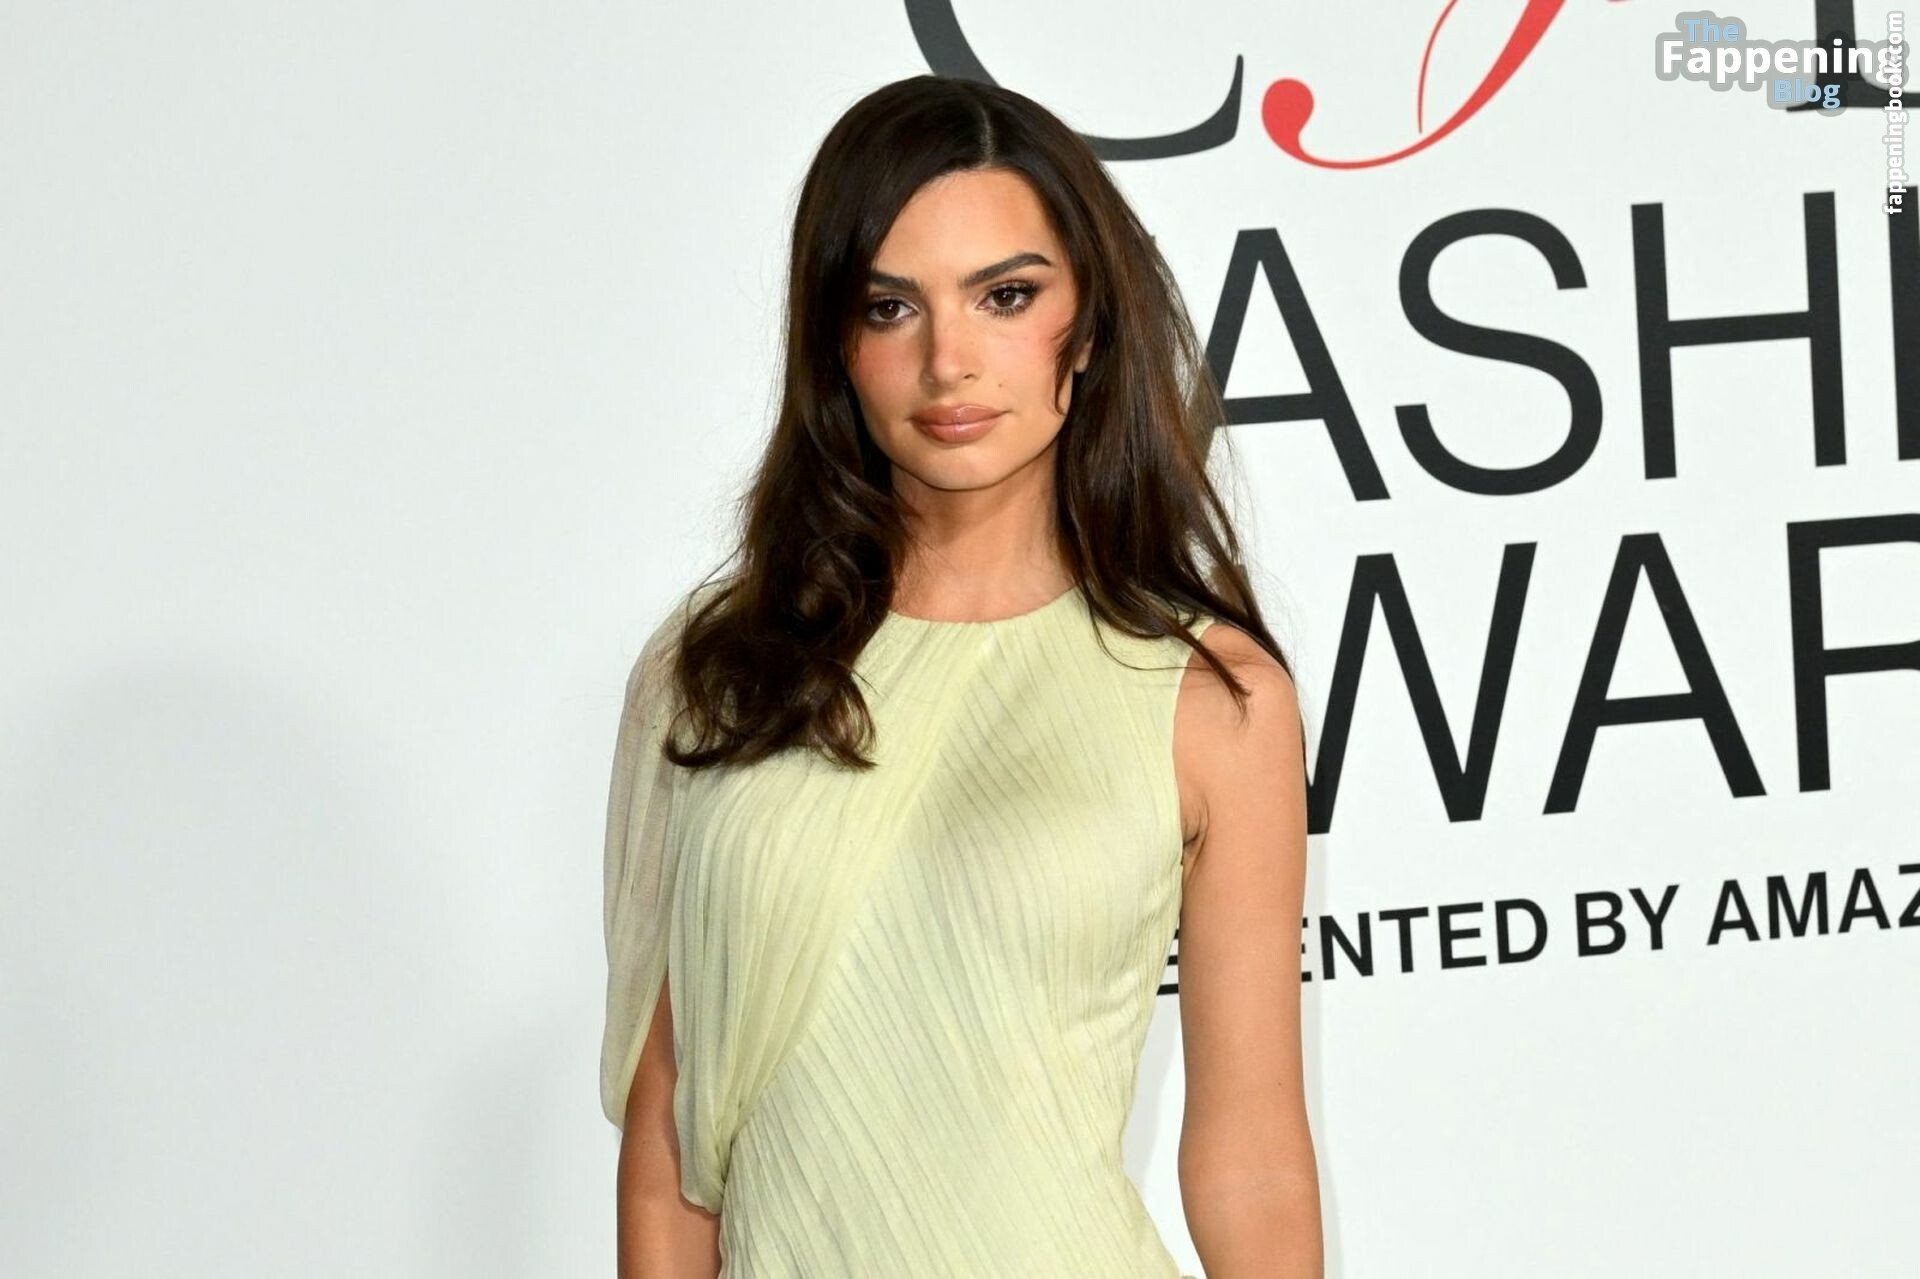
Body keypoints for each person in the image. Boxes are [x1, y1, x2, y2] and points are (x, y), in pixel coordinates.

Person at [601, 73, 1319, 1278]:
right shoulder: (722, 671)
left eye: (1005, 296)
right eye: (891, 308)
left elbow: (1250, 1152)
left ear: (1087, 327)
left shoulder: (1211, 695)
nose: (949, 361)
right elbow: (670, 1137)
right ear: (835, 344)